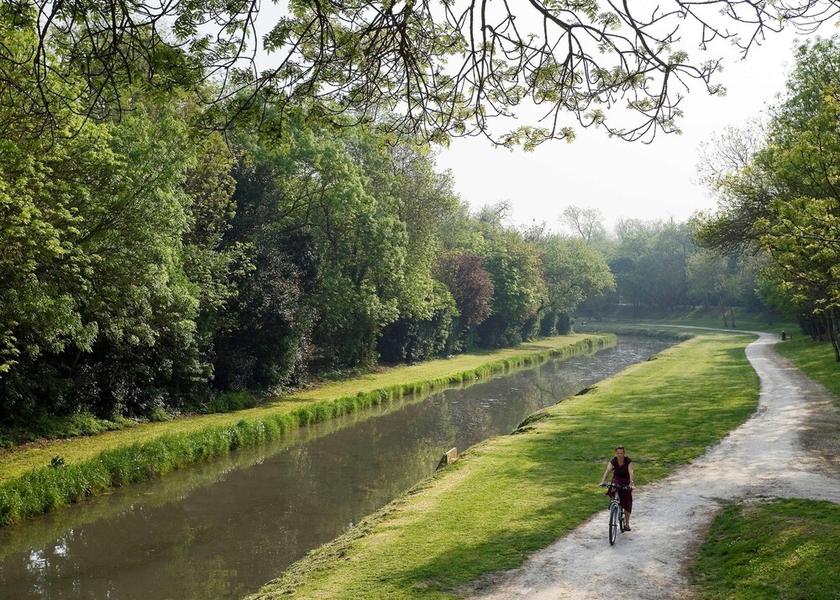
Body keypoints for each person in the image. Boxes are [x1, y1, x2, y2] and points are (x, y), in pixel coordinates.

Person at [599, 445, 635, 531]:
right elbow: (607, 470)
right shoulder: (613, 461)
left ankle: (626, 523)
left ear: (624, 453)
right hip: (617, 479)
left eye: (621, 453)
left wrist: (631, 482)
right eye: (618, 453)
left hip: (626, 481)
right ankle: (615, 503)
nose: (620, 455)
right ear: (616, 453)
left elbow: (631, 472)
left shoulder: (628, 461)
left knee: (627, 501)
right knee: (613, 488)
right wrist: (603, 481)